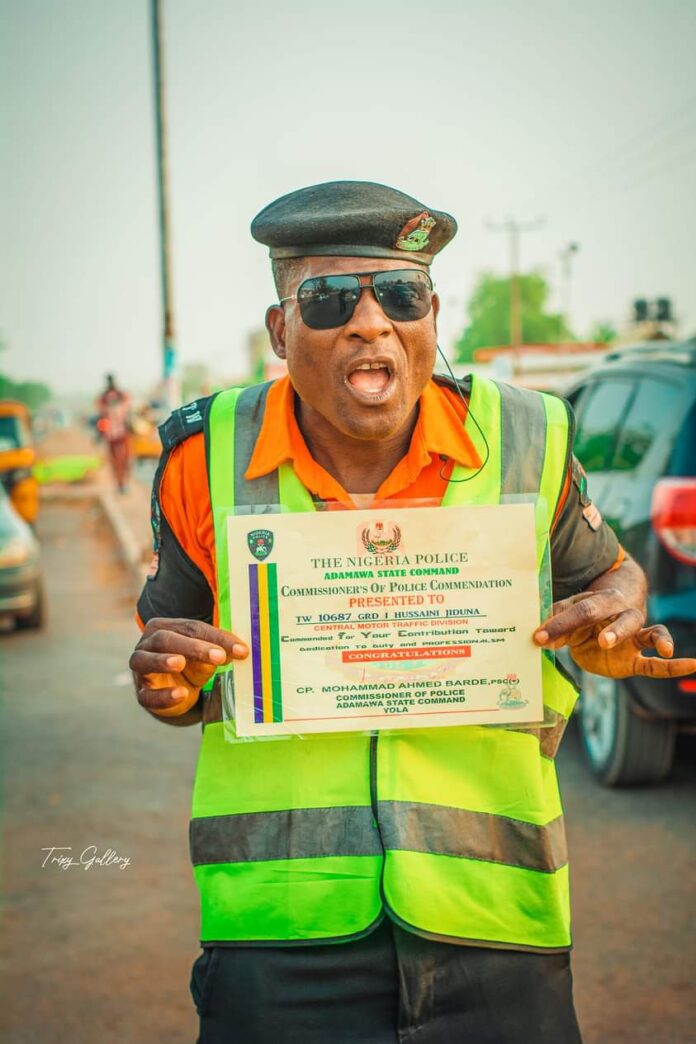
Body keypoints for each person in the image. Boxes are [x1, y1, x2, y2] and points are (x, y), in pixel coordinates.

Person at [129, 181, 696, 1044]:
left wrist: (617, 619)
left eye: (399, 295)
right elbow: (173, 661)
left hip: (498, 924)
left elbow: (612, 579)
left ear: (432, 315)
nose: (369, 324)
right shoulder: (201, 457)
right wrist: (167, 684)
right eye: (327, 300)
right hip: (280, 937)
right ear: (281, 332)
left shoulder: (530, 436)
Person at [96, 374, 131, 492]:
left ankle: (122, 482)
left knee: (123, 459)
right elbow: (102, 416)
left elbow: (126, 412)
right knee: (116, 460)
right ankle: (120, 483)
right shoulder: (104, 398)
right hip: (112, 434)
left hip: (120, 433)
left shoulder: (121, 396)